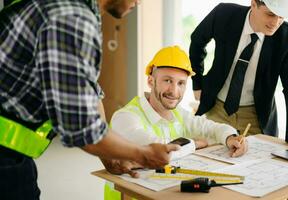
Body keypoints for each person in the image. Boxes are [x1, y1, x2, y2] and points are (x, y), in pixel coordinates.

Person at [0, 0, 179, 199]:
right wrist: (142, 154)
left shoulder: (76, 12)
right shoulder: (71, 18)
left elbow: (89, 92)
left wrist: (110, 156)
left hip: (13, 156)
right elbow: (79, 126)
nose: (139, 2)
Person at [189, 0, 288, 147]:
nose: (275, 22)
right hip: (216, 109)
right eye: (270, 14)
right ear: (254, 4)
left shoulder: (287, 37)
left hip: (255, 117)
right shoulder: (224, 14)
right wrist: (197, 83)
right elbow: (197, 41)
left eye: (281, 17)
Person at [110, 45, 246, 171]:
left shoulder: (178, 113)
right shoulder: (125, 117)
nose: (174, 91)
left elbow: (212, 128)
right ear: (151, 81)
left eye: (181, 83)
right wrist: (195, 144)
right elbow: (160, 151)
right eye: (167, 80)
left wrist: (231, 138)